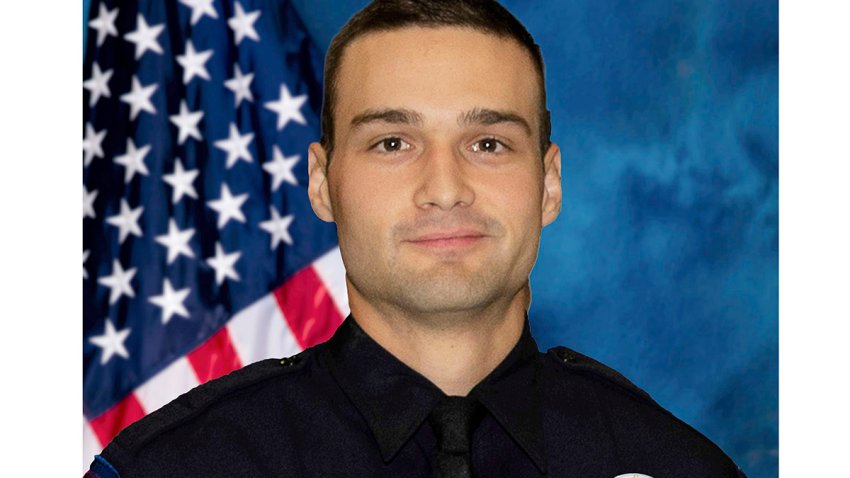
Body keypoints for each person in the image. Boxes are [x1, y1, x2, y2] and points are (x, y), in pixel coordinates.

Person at [87, 0, 747, 476]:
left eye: (487, 144)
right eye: (392, 143)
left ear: (548, 185)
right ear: (322, 181)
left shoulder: (672, 464)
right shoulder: (177, 467)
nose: (444, 187)